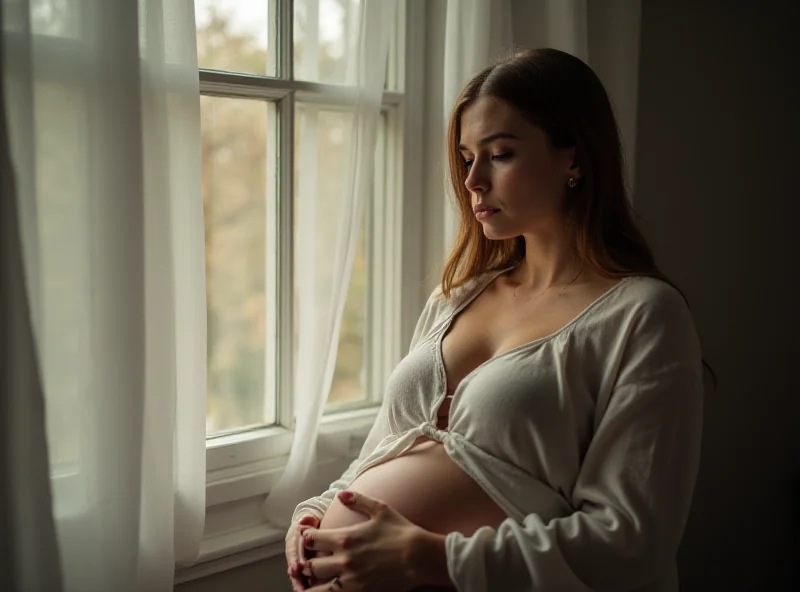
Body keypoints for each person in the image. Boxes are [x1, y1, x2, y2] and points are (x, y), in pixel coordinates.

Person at [284, 47, 707, 592]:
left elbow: (631, 539)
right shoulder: (456, 297)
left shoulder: (643, 315)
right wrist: (315, 515)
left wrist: (433, 558)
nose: (473, 181)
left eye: (500, 154)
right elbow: (385, 449)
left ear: (574, 159)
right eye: (466, 158)